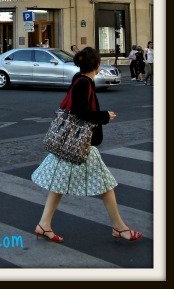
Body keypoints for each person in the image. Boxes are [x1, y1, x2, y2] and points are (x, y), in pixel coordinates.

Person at [31, 46, 142, 243]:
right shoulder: (84, 83)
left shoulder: (79, 79)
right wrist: (104, 116)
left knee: (59, 183)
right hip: (81, 145)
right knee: (106, 185)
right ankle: (119, 227)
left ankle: (44, 224)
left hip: (72, 144)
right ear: (97, 65)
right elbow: (81, 112)